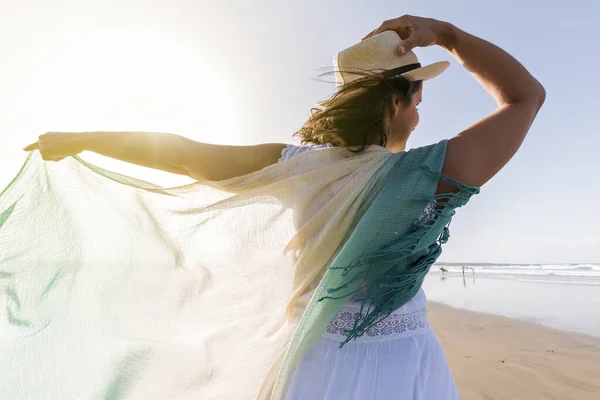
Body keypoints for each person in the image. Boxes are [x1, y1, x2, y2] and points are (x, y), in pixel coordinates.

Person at [22, 14, 544, 400]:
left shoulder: (295, 166)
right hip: (403, 364)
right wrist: (446, 34)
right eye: (414, 94)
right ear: (391, 101)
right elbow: (524, 97)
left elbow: (180, 154)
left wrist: (85, 138)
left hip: (314, 366)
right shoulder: (428, 176)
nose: (420, 106)